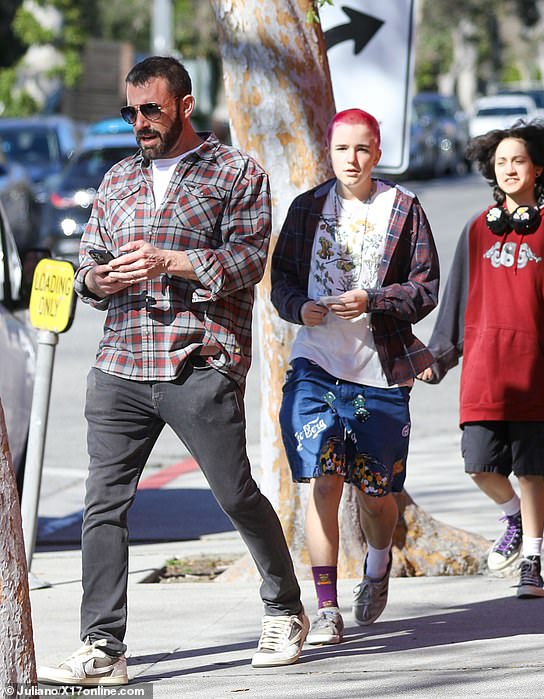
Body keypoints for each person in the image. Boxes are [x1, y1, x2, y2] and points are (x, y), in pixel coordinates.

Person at [37, 56, 308, 687]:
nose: (139, 123)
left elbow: (246, 262)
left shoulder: (234, 172)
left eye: (151, 109)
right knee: (102, 506)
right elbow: (88, 268)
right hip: (119, 365)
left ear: (184, 105)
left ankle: (285, 608)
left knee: (234, 494)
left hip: (197, 362)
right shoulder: (116, 180)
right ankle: (103, 645)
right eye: (129, 111)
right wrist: (95, 280)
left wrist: (172, 261)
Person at [421, 121, 544, 598]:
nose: (509, 169)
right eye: (501, 162)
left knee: (532, 471)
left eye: (518, 161)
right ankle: (512, 516)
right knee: (478, 464)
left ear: (538, 169)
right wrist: (440, 354)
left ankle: (531, 559)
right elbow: (457, 299)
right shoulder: (476, 229)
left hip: (542, 371)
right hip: (487, 373)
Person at [270, 108, 439, 644]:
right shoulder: (307, 209)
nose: (352, 159)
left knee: (375, 494)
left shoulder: (404, 208)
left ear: (378, 151)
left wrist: (374, 299)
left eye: (362, 149)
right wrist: (301, 307)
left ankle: (379, 560)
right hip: (316, 363)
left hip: (381, 370)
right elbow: (282, 283)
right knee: (322, 481)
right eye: (343, 149)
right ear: (330, 150)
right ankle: (325, 610)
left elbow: (425, 288)